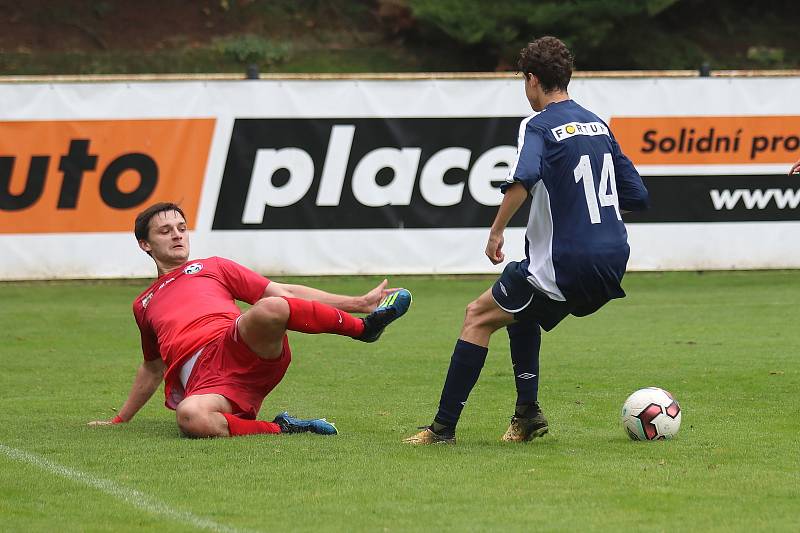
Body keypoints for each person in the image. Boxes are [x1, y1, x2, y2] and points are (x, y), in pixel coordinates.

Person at [403, 36, 649, 445]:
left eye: (525, 81)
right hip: (613, 262)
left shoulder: (538, 125)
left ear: (533, 80)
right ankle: (527, 415)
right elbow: (638, 197)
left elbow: (525, 176)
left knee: (477, 316)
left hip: (566, 263)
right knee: (522, 306)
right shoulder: (599, 126)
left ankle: (442, 429)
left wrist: (496, 229)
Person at [89, 202, 412, 438]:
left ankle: (364, 330)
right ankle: (282, 428)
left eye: (182, 228)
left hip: (236, 343)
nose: (177, 235)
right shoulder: (143, 303)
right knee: (191, 417)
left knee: (272, 306)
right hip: (207, 383)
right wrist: (120, 420)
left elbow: (283, 291)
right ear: (145, 244)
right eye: (165, 231)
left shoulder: (212, 266)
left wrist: (357, 303)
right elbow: (152, 366)